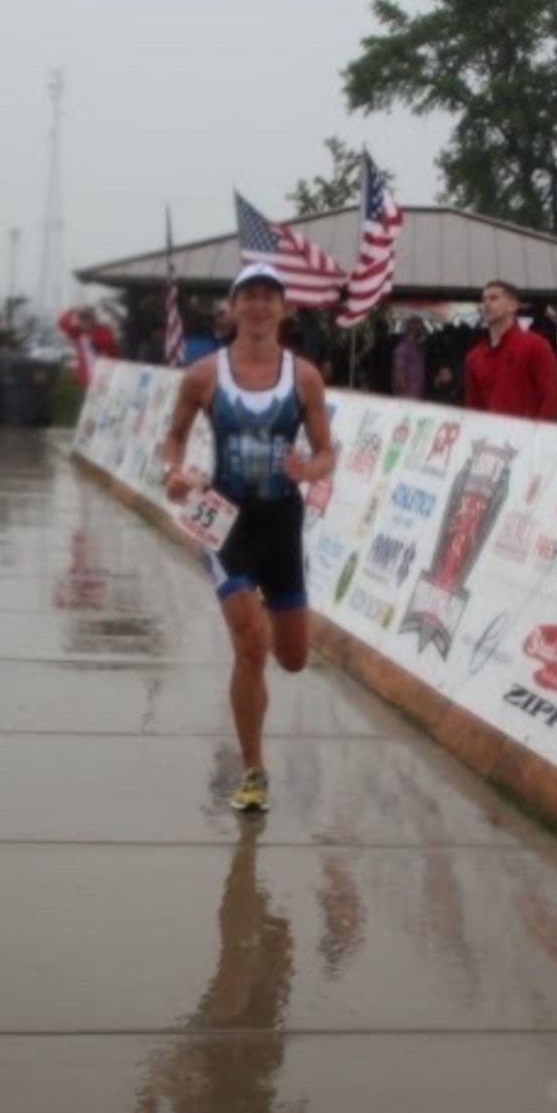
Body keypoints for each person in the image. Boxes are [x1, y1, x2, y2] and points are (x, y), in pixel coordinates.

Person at [161, 263, 337, 812]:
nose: (258, 307)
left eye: (269, 297)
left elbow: (327, 451)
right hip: (226, 525)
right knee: (250, 645)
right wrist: (177, 473)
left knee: (291, 658)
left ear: (283, 309)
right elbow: (174, 438)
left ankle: (270, 633)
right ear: (232, 308)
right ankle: (254, 770)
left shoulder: (304, 377)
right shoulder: (203, 375)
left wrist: (308, 471)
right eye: (248, 297)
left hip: (282, 526)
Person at [464, 279, 557, 420]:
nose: (486, 304)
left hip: (528, 438)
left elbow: (553, 396)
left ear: (512, 305)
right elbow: (474, 408)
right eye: (484, 299)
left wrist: (539, 437)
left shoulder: (536, 346)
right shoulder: (474, 357)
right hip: (490, 438)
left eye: (494, 298)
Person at [391, 317, 428, 399]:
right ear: (412, 326)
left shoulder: (418, 347)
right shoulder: (403, 348)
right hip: (407, 396)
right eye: (420, 324)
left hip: (417, 394)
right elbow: (399, 373)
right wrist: (406, 395)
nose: (423, 328)